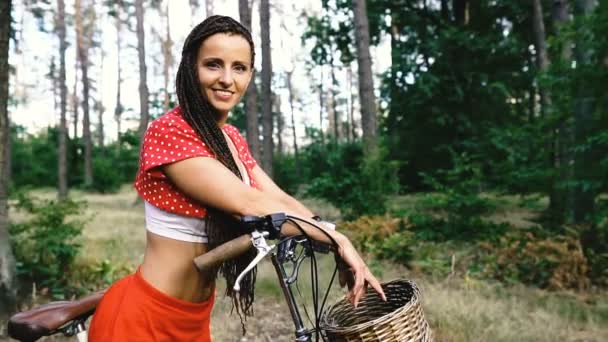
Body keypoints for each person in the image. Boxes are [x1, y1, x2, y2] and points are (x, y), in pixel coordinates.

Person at [88, 15, 385, 341]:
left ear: (250, 75)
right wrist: (339, 241)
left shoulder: (229, 137)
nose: (227, 79)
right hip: (143, 318)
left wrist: (324, 230)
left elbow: (278, 198)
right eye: (213, 65)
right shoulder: (171, 129)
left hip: (192, 318)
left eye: (239, 67)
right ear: (191, 68)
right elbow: (252, 203)